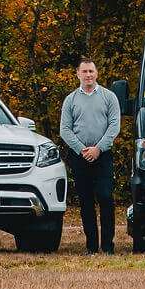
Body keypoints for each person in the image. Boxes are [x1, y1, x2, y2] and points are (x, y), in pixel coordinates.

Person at [60, 59, 121, 254]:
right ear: (77, 73)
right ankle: (91, 247)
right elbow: (65, 129)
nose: (88, 75)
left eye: (91, 71)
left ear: (97, 73)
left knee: (105, 197)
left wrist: (98, 148)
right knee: (86, 202)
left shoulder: (109, 97)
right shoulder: (70, 100)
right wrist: (82, 149)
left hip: (103, 155)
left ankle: (108, 246)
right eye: (84, 71)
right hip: (80, 157)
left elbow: (114, 126)